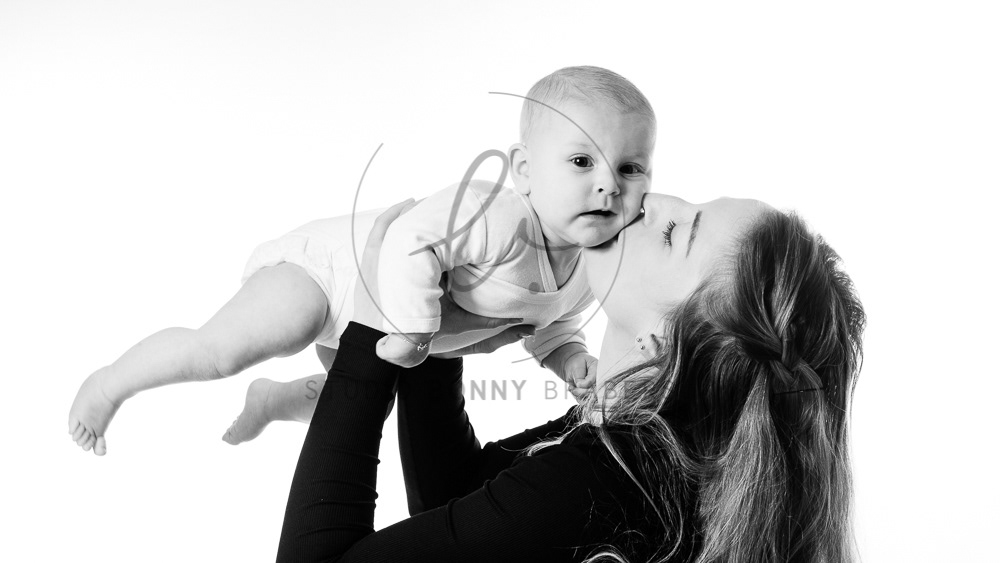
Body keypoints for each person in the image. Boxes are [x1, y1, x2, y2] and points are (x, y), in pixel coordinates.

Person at [66, 65, 655, 454]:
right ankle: (110, 383)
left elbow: (552, 320)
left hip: (378, 330)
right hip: (333, 275)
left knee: (356, 400)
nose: (609, 185)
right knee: (225, 351)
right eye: (582, 161)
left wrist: (569, 358)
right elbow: (410, 242)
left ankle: (271, 400)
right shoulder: (494, 215)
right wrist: (415, 330)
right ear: (524, 169)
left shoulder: (593, 265)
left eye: (629, 168)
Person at [275, 192, 866, 562]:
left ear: (664, 344)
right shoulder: (644, 458)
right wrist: (435, 331)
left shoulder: (599, 486)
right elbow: (456, 504)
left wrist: (372, 332)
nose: (649, 199)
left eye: (674, 233)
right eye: (687, 204)